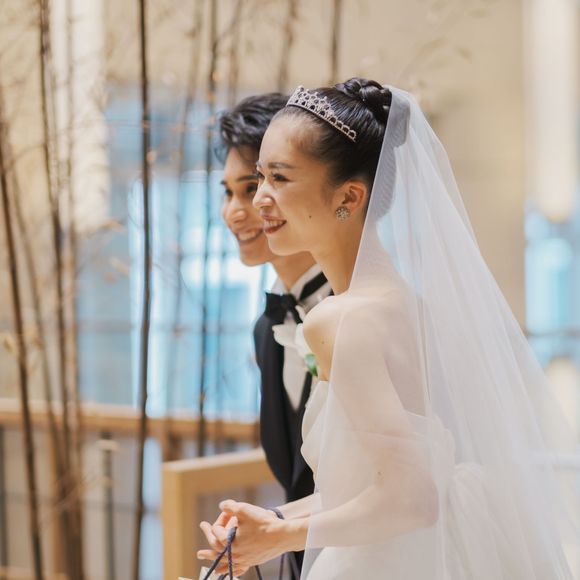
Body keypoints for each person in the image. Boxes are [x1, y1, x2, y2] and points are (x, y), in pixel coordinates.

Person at [200, 79, 577, 578]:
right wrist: (277, 519)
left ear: (349, 196)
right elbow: (381, 483)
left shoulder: (338, 319)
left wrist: (281, 537)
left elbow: (412, 498)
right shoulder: (405, 304)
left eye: (279, 179)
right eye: (260, 178)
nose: (259, 201)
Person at [214, 93, 332, 577]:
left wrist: (279, 527)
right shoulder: (267, 330)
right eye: (228, 192)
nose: (236, 211)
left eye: (256, 186)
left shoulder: (364, 313)